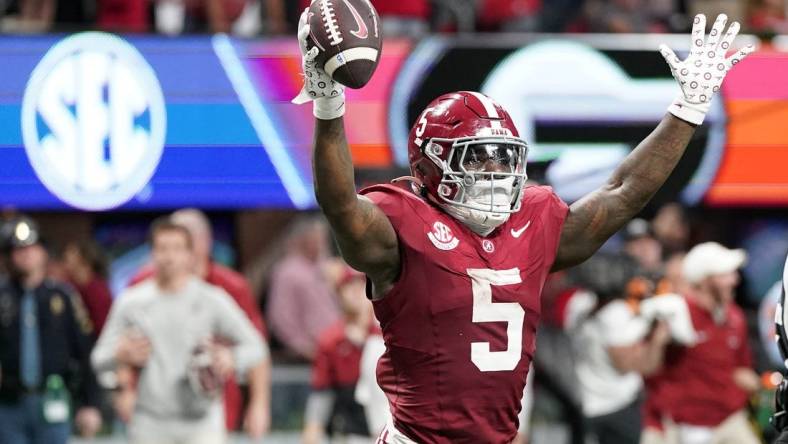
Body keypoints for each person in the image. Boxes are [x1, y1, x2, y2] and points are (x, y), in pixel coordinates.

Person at [292, 9, 754, 443]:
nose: (493, 172)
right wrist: (329, 106)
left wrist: (687, 110)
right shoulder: (402, 222)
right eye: (476, 157)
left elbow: (621, 192)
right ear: (428, 164)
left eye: (502, 157)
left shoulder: (534, 220)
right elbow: (339, 205)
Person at [92, 217, 266, 444]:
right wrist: (119, 353)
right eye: (162, 248)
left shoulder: (212, 299)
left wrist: (231, 357)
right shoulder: (131, 301)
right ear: (152, 253)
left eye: (177, 248)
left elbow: (258, 347)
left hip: (203, 422)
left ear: (189, 255)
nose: (169, 257)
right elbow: (98, 358)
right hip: (150, 421)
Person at [645, 242, 760, 444]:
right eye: (725, 274)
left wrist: (765, 387)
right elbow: (649, 369)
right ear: (704, 280)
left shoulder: (735, 317)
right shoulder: (676, 312)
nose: (735, 280)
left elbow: (740, 369)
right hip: (687, 424)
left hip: (728, 418)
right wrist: (658, 339)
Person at [0, 216, 102, 444]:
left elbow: (85, 351)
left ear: (44, 252)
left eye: (32, 247)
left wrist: (91, 403)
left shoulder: (63, 296)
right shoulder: (2, 296)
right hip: (7, 404)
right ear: (8, 256)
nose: (26, 254)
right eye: (18, 249)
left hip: (53, 400)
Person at [567, 254, 671, 444]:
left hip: (585, 402)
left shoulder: (578, 303)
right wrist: (659, 338)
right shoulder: (615, 313)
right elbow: (632, 365)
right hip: (616, 408)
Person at [302, 268, 374, 443]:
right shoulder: (331, 340)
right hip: (350, 431)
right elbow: (321, 393)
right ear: (339, 294)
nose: (357, 291)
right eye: (349, 286)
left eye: (362, 284)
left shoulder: (387, 333)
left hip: (391, 424)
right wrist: (312, 430)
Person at [266, 216, 340, 361]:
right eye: (316, 237)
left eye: (322, 237)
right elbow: (281, 318)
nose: (321, 242)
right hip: (305, 357)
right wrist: (304, 348)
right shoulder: (287, 271)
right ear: (303, 239)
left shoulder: (327, 266)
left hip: (335, 351)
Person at [61, 240, 113, 336]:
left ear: (83, 259)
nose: (65, 258)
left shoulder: (97, 290)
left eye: (70, 253)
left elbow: (104, 330)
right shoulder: (70, 287)